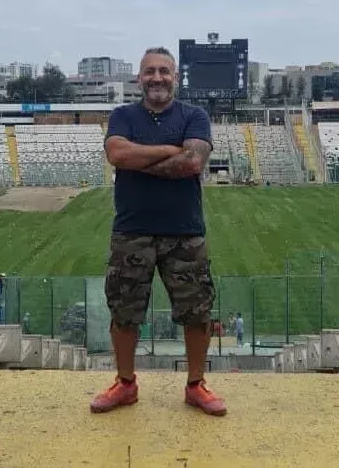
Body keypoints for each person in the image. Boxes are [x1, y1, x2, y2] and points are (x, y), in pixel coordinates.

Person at [89, 46, 227, 417]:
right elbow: (117, 155)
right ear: (139, 78)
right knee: (124, 312)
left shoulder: (194, 115)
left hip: (185, 233)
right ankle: (125, 384)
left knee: (197, 311)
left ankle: (196, 385)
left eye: (164, 71)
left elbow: (192, 162)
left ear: (175, 77)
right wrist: (168, 149)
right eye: (149, 71)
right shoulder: (122, 115)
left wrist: (139, 159)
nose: (157, 78)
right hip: (131, 230)